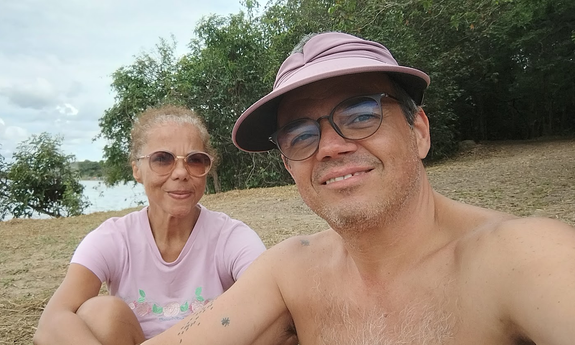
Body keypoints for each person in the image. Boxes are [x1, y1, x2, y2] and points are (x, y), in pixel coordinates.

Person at [143, 32, 575, 345]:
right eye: (300, 135)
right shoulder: (291, 273)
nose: (329, 147)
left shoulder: (520, 258)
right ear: (289, 165)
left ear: (418, 132)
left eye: (361, 113)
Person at [33, 105, 270, 345]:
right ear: (137, 169)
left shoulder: (230, 237)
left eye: (195, 160)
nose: (180, 172)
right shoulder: (114, 238)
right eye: (162, 159)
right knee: (99, 313)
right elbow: (52, 322)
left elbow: (270, 306)